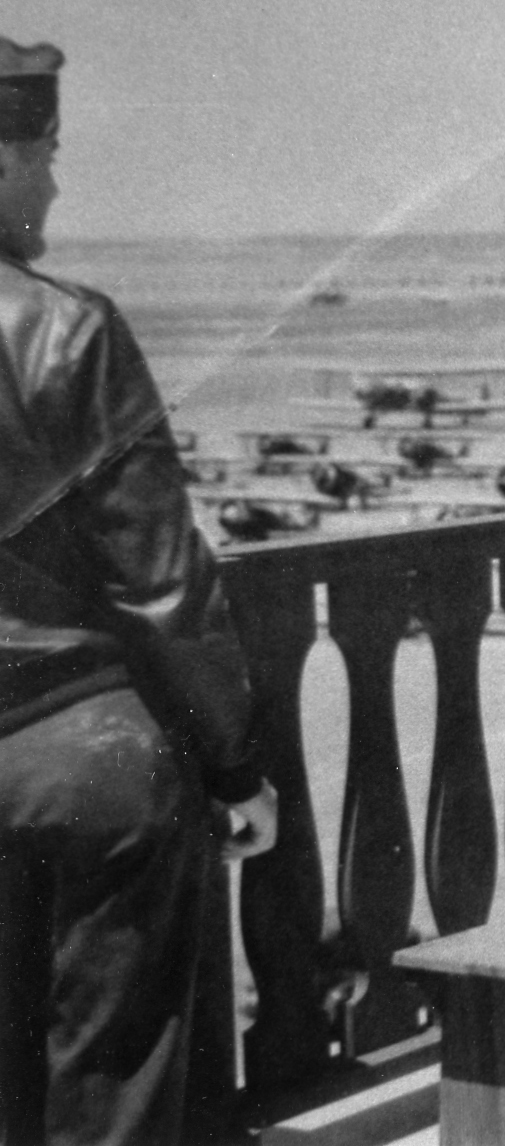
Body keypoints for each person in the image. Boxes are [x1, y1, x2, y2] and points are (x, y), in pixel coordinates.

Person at [0, 37, 278, 1144]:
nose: (56, 181)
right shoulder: (71, 330)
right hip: (85, 763)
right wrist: (237, 766)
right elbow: (164, 583)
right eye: (42, 154)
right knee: (109, 1090)